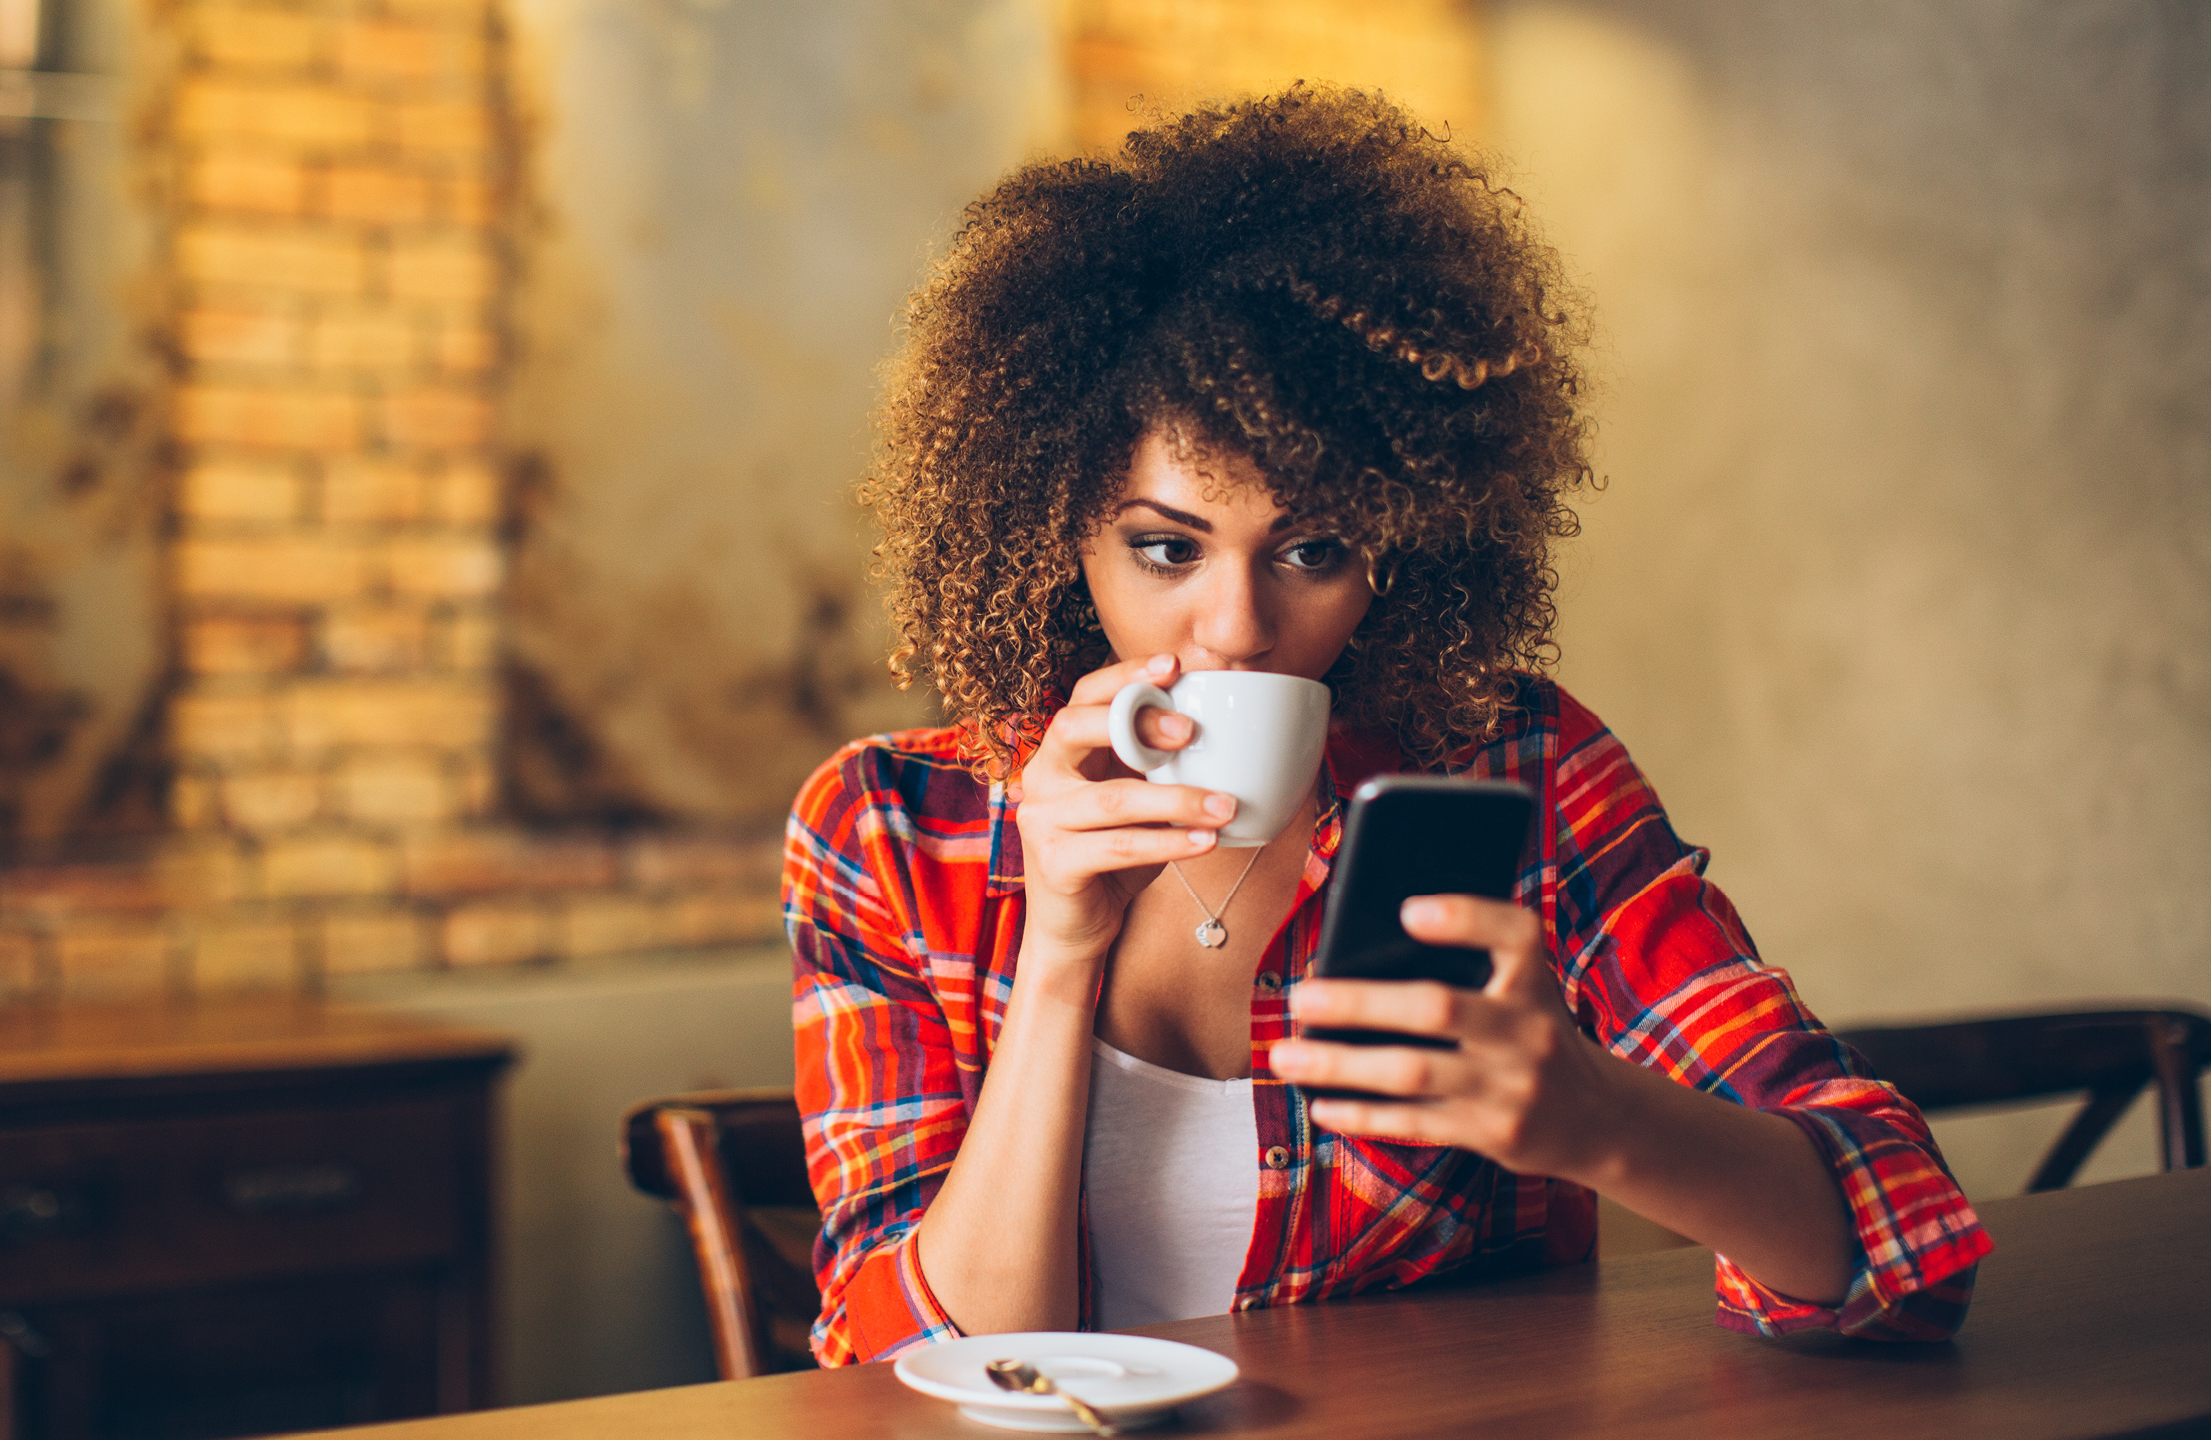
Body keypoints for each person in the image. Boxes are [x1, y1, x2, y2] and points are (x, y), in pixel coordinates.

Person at [782, 86, 1989, 1366]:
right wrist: (1060, 958)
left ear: (1402, 548)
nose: (1237, 625)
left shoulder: (1509, 768)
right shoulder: (893, 832)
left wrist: (1591, 1117)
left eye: (1311, 547)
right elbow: (909, 1373)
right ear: (1053, 527)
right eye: (1163, 548)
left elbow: (1904, 1253)